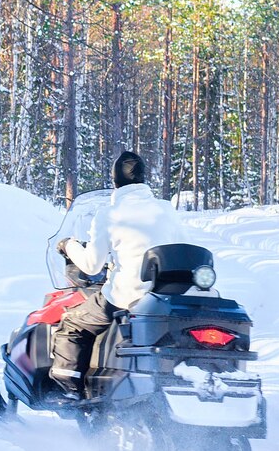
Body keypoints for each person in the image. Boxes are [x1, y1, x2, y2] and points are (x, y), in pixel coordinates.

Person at [50, 150, 186, 400]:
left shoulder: (109, 214)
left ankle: (68, 392)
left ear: (115, 182)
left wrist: (68, 245)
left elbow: (91, 265)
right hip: (168, 300)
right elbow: (182, 248)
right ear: (144, 179)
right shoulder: (166, 210)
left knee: (72, 324)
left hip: (126, 297)